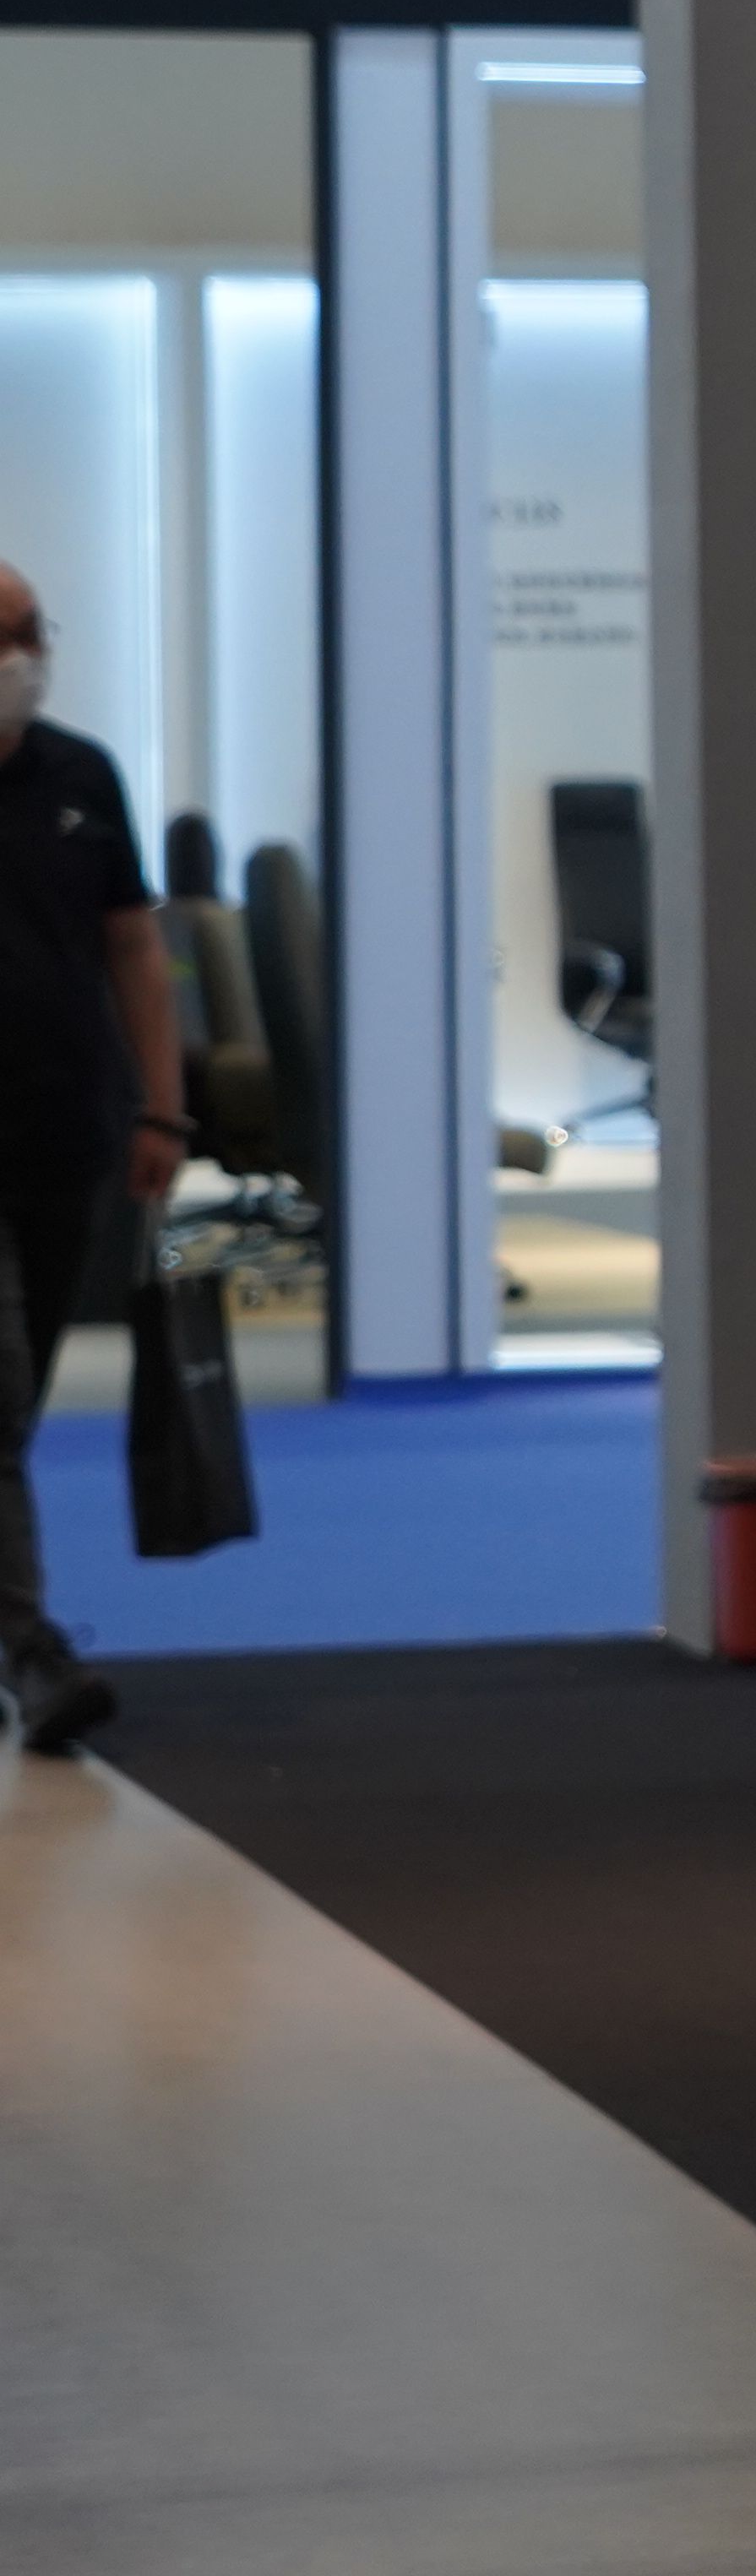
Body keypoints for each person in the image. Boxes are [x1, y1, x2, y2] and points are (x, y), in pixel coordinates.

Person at [0, 561, 179, 1755]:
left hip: (66, 1132)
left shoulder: (81, 775)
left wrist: (163, 1110)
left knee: (15, 1407)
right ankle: (34, 1654)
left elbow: (134, 949)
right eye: (1, 635)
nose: (22, 656)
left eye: (31, 631)